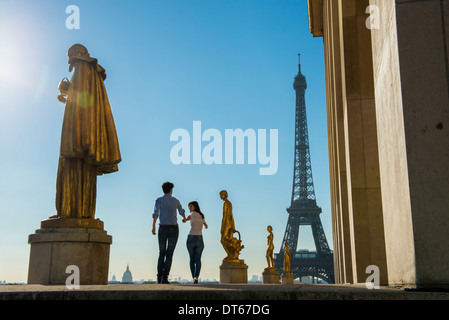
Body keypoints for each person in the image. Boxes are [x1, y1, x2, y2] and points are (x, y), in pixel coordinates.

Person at [152, 182, 186, 284]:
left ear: (163, 190)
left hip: (162, 227)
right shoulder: (175, 201)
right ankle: (165, 278)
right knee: (169, 254)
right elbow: (181, 211)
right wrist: (184, 219)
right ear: (171, 190)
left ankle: (159, 277)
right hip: (173, 228)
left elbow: (155, 213)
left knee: (161, 253)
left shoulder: (159, 200)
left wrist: (153, 226)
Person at [183, 201, 208, 284]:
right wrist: (204, 225)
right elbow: (205, 224)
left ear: (194, 206)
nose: (189, 208)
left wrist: (185, 219)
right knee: (198, 260)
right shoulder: (201, 216)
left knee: (192, 259)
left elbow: (187, 218)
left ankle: (194, 277)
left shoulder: (193, 214)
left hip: (191, 238)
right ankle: (196, 277)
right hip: (200, 239)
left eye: (190, 206)